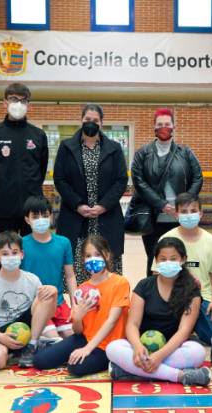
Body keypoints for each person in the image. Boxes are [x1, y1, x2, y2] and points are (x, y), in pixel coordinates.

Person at [106, 237, 210, 386]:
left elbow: (184, 331)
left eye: (173, 259)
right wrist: (137, 347)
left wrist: (159, 356)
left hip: (173, 348)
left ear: (183, 259)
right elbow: (133, 324)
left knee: (198, 352)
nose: (168, 262)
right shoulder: (144, 285)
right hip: (142, 348)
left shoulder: (191, 291)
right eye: (163, 259)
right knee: (113, 348)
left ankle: (130, 372)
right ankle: (180, 376)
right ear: (156, 260)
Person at [53, 104, 129, 285]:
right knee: (78, 269)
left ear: (101, 123)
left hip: (106, 217)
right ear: (81, 120)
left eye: (95, 120)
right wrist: (78, 204)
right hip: (76, 216)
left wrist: (103, 205)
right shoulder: (66, 147)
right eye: (87, 119)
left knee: (107, 269)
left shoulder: (114, 148)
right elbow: (60, 179)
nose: (91, 123)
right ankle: (80, 302)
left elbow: (121, 180)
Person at [33, 235, 130, 376]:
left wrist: (87, 349)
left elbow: (112, 321)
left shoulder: (120, 283)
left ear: (107, 255)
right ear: (83, 260)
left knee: (75, 368)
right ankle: (56, 347)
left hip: (107, 345)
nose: (93, 259)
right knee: (39, 361)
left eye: (98, 254)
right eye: (88, 256)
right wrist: (78, 318)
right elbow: (78, 331)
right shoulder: (82, 289)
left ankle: (110, 361)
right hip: (84, 338)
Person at [0, 83, 49, 276]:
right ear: (4, 102)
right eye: (13, 99)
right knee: (1, 253)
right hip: (3, 207)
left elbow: (41, 170)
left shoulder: (38, 135)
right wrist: (2, 191)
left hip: (31, 210)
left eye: (22, 100)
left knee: (31, 254)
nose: (18, 103)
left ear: (28, 104)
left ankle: (32, 290)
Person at [131, 108, 203, 276]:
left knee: (182, 259)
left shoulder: (185, 152)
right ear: (154, 127)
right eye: (160, 124)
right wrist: (162, 204)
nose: (164, 127)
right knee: (155, 259)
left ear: (173, 126)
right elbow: (139, 182)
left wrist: (184, 205)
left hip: (181, 218)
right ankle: (153, 291)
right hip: (153, 217)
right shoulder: (143, 153)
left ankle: (181, 291)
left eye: (167, 124)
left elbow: (197, 177)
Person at [153, 192, 212, 346]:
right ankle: (186, 331)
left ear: (201, 213)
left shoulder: (211, 242)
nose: (189, 215)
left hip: (202, 297)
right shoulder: (166, 239)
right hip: (173, 296)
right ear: (176, 214)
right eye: (184, 211)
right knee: (163, 335)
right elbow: (156, 273)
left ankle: (191, 330)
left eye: (193, 211)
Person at [0, 231, 58, 369]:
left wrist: (53, 293)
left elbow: (49, 312)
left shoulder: (32, 279)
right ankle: (22, 351)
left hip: (28, 325)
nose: (10, 257)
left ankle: (32, 345)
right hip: (2, 330)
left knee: (47, 293)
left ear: (22, 254)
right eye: (5, 254)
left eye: (14, 252)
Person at [22, 195, 77, 340]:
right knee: (54, 339)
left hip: (59, 304)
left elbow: (70, 276)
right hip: (36, 305)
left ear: (51, 216)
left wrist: (75, 304)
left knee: (73, 337)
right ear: (27, 219)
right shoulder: (21, 244)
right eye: (35, 217)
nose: (41, 220)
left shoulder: (63, 242)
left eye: (45, 215)